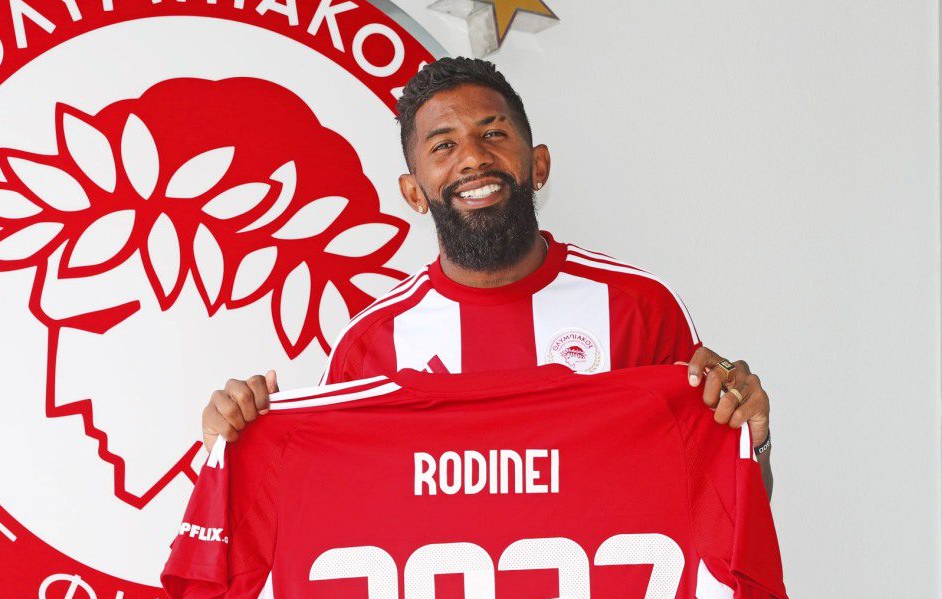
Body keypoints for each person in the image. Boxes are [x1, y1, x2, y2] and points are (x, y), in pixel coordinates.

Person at [200, 57, 775, 493]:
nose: (473, 158)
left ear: (538, 165)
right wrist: (232, 450)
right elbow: (323, 517)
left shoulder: (641, 309)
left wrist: (752, 440)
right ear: (414, 193)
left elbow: (726, 508)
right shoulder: (369, 346)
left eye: (493, 134)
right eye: (443, 146)